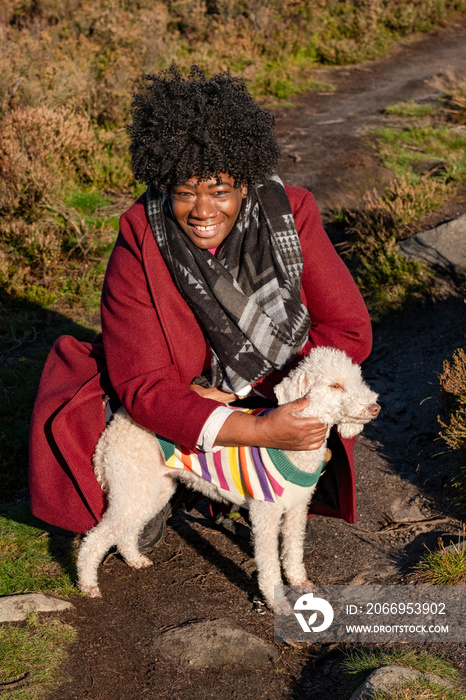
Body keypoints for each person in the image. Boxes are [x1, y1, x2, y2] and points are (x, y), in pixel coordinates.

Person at [29, 65, 372, 547]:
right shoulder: (141, 236)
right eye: (185, 193)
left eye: (218, 191)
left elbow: (348, 330)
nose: (203, 211)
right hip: (184, 395)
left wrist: (264, 404)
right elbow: (142, 380)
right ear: (165, 186)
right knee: (130, 518)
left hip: (275, 391)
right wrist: (235, 418)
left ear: (245, 185)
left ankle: (223, 479)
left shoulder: (291, 214)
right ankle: (178, 479)